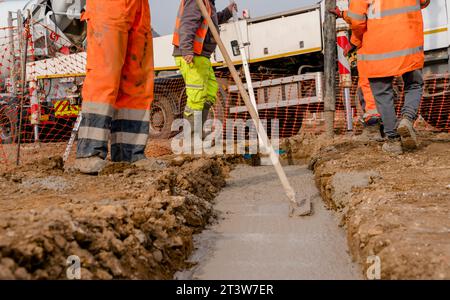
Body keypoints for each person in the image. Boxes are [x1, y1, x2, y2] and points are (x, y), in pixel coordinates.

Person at [74, 0, 155, 174]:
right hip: (109, 5)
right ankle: (89, 153)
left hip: (139, 7)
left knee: (137, 80)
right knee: (105, 74)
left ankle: (130, 154)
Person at [347, 0, 430, 155]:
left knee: (382, 94)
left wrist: (354, 42)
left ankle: (393, 140)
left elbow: (357, 20)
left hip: (377, 49)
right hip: (409, 44)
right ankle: (407, 118)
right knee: (414, 84)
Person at [172, 0, 236, 152]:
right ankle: (191, 139)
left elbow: (210, 21)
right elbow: (187, 23)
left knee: (210, 92)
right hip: (192, 55)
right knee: (196, 96)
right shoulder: (197, 1)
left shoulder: (208, 3)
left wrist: (227, 12)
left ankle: (198, 134)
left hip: (202, 56)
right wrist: (187, 49)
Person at [330, 7, 383, 141]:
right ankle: (386, 128)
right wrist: (342, 14)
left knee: (366, 87)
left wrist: (353, 42)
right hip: (384, 46)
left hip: (368, 48)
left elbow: (358, 19)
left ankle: (374, 130)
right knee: (382, 88)